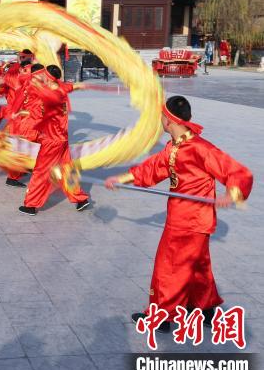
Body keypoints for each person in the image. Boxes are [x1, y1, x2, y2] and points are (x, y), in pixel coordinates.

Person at [105, 96, 253, 332]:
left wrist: (232, 194)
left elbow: (237, 171)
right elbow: (153, 167)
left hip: (188, 221)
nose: (161, 120)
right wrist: (121, 179)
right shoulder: (174, 147)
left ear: (169, 120)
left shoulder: (200, 148)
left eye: (162, 116)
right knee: (198, 265)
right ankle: (204, 309)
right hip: (191, 218)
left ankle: (162, 316)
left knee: (170, 267)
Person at [19, 65, 90, 215]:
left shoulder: (51, 94)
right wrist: (79, 85)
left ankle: (31, 205)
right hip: (62, 138)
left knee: (40, 172)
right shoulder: (60, 88)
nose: (42, 77)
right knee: (66, 170)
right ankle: (80, 199)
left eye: (44, 75)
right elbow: (71, 86)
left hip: (51, 140)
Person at [3, 62, 44, 187]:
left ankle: (28, 168)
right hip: (30, 123)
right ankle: (12, 177)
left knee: (36, 148)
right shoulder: (31, 85)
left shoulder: (29, 84)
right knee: (24, 150)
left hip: (34, 122)